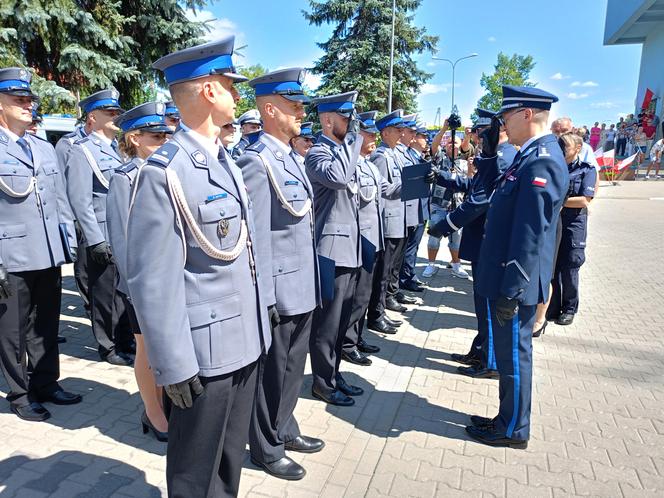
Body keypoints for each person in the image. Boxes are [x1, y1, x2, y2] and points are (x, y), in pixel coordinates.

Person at [127, 35, 271, 498]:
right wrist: (173, 365)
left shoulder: (225, 160)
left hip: (243, 341)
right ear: (209, 91)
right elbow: (153, 281)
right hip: (203, 358)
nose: (237, 93)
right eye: (231, 84)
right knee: (194, 473)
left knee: (229, 464)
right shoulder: (165, 172)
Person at [466, 85, 568, 449]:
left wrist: (512, 287)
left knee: (514, 357)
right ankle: (505, 418)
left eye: (507, 117)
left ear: (526, 114)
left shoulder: (542, 160)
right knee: (511, 355)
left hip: (516, 281)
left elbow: (530, 234)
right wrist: (491, 151)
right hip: (509, 275)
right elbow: (493, 188)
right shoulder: (529, 156)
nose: (503, 125)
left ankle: (512, 429)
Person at [236, 68, 323, 481]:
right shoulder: (257, 161)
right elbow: (257, 235)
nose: (301, 112)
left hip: (303, 281)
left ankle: (284, 427)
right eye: (294, 106)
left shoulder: (290, 156)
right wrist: (265, 295)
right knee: (275, 371)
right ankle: (265, 448)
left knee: (293, 367)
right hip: (280, 287)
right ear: (270, 109)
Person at [0, 67, 81, 422]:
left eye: (29, 100)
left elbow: (60, 198)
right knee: (13, 330)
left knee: (46, 324)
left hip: (48, 251)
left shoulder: (41, 146)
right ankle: (19, 393)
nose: (27, 106)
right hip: (12, 255)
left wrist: (69, 243)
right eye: (18, 100)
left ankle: (46, 382)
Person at [428, 108, 517, 379]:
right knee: (481, 300)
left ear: (497, 131)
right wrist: (441, 177)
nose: (477, 136)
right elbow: (473, 184)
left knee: (487, 302)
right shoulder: (495, 155)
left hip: (488, 238)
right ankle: (480, 350)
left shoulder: (503, 156)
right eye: (477, 132)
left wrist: (445, 226)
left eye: (481, 132)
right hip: (482, 239)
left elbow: (480, 200)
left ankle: (489, 361)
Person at [106, 102, 172, 442]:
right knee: (147, 350)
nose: (165, 140)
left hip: (169, 279)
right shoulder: (125, 178)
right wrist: (137, 287)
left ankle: (164, 403)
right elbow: (120, 239)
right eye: (157, 136)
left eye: (166, 135)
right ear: (134, 138)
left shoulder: (166, 171)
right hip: (141, 283)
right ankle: (153, 414)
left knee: (164, 348)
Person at [66, 88, 134, 366]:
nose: (116, 116)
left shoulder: (119, 149)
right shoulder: (83, 151)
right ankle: (107, 346)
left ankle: (125, 338)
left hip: (124, 233)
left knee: (123, 293)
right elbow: (80, 200)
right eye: (110, 112)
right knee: (104, 295)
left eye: (117, 112)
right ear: (93, 116)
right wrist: (94, 239)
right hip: (102, 234)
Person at [305, 91, 364, 407]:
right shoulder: (317, 154)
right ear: (328, 121)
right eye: (345, 117)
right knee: (327, 325)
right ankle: (322, 383)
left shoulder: (344, 151)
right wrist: (352, 139)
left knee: (342, 322)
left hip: (349, 252)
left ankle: (335, 374)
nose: (351, 122)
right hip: (330, 252)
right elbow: (339, 179)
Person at [342, 111, 393, 366]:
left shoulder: (371, 164)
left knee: (365, 293)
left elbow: (388, 190)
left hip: (374, 238)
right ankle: (347, 344)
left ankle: (357, 336)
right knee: (358, 296)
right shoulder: (352, 165)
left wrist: (417, 182)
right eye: (369, 134)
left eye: (374, 134)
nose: (373, 139)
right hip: (360, 240)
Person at [365, 109, 411, 335]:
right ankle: (376, 312)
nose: (402, 134)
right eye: (397, 130)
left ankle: (380, 309)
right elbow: (381, 194)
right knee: (382, 272)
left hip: (398, 218)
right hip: (388, 221)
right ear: (385, 133)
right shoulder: (381, 156)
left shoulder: (393, 153)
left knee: (390, 269)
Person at [548, 132, 597, 326]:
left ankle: (569, 308)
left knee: (570, 267)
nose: (561, 151)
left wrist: (559, 202)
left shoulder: (587, 170)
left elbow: (584, 200)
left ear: (577, 149)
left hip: (572, 225)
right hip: (553, 224)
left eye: (565, 147)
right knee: (553, 267)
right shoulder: (554, 168)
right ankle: (552, 307)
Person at [54, 94, 96, 318]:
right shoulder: (68, 144)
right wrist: (70, 220)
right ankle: (90, 308)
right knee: (84, 270)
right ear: (91, 117)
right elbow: (60, 183)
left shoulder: (106, 145)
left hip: (98, 218)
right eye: (109, 113)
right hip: (78, 218)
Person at [422, 134, 470, 280]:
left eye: (455, 142)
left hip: (457, 206)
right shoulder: (439, 158)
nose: (452, 145)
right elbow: (434, 147)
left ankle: (456, 265)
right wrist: (444, 129)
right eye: (449, 142)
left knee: (457, 239)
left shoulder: (464, 163)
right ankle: (431, 264)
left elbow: (469, 181)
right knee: (434, 237)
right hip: (439, 204)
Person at [396, 114, 429, 293]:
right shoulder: (401, 153)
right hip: (407, 209)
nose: (411, 136)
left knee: (412, 246)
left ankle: (408, 276)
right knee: (406, 248)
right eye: (412, 132)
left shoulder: (409, 154)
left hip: (417, 207)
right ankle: (404, 278)